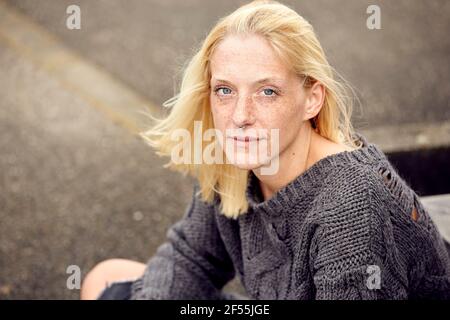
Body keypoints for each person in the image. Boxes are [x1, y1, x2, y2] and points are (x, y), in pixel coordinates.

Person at [80, 0, 450, 300]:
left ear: (312, 99)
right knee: (106, 278)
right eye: (225, 90)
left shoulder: (349, 208)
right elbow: (193, 257)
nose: (240, 117)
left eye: (267, 91)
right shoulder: (234, 159)